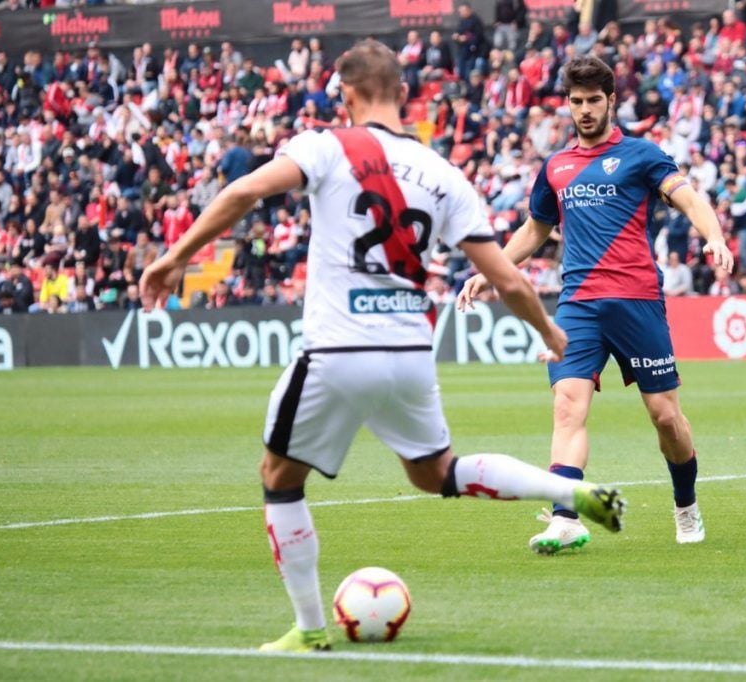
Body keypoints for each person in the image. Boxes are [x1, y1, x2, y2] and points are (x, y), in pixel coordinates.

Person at [140, 40, 625, 654]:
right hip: (408, 354)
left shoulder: (324, 145)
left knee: (279, 477)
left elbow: (242, 194)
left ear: (345, 94)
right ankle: (567, 491)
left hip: (338, 348)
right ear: (402, 94)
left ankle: (311, 629)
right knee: (437, 474)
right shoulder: (445, 174)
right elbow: (507, 277)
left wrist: (176, 257)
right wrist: (549, 332)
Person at [458, 56, 733, 554]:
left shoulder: (643, 155)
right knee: (567, 407)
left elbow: (690, 199)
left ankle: (686, 503)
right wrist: (490, 271)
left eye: (593, 101)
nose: (584, 110)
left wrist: (713, 236)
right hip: (578, 305)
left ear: (611, 101)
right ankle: (565, 519)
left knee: (665, 417)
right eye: (576, 101)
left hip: (637, 302)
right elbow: (536, 229)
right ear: (568, 103)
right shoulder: (556, 166)